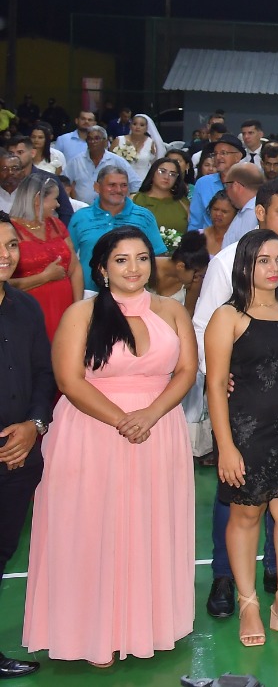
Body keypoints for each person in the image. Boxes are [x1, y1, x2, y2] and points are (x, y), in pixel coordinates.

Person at [24, 226, 197, 667]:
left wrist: (149, 416)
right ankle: (92, 633)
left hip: (158, 432)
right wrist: (124, 420)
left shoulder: (171, 311)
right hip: (91, 435)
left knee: (149, 527)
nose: (134, 268)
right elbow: (68, 380)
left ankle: (146, 627)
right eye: (121, 260)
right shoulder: (81, 314)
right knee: (90, 531)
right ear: (101, 268)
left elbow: (186, 372)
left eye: (142, 258)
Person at [192, 179, 278, 618]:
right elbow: (216, 385)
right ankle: (249, 602)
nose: (273, 268)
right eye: (262, 261)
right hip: (247, 430)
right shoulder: (226, 317)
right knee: (246, 516)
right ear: (244, 265)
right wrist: (226, 446)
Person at [0, 213, 54, 679]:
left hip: (19, 455)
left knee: (0, 553)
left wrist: (34, 425)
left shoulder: (26, 308)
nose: (6, 254)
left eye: (11, 245)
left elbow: (43, 373)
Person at [6, 175, 81, 337]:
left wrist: (78, 308)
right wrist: (45, 277)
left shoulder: (57, 225)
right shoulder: (9, 230)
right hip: (28, 311)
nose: (58, 204)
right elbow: (4, 283)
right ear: (38, 199)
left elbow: (75, 269)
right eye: (54, 199)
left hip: (64, 308)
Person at [68, 164, 168, 264]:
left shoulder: (144, 217)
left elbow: (158, 257)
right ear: (97, 187)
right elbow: (68, 257)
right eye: (112, 185)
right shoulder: (80, 217)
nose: (118, 190)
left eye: (123, 185)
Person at [186, 134, 246, 232]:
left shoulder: (248, 184)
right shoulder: (203, 183)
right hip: (207, 242)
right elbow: (195, 222)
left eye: (223, 153)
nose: (218, 157)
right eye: (215, 153)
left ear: (237, 157)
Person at [62, 126, 132, 207]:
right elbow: (63, 183)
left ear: (105, 142)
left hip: (112, 209)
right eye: (89, 139)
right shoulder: (76, 161)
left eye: (97, 138)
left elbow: (135, 184)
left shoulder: (117, 161)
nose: (93, 141)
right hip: (82, 210)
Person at [134, 155, 190, 235]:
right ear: (152, 173)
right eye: (162, 171)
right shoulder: (136, 200)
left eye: (172, 174)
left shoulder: (183, 202)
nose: (167, 177)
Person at [220, 163, 266, 247]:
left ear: (235, 186)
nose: (226, 191)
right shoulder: (246, 211)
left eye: (227, 186)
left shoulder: (254, 213)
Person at [117, 114, 166, 190]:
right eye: (134, 124)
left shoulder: (151, 143)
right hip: (121, 180)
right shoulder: (119, 140)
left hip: (143, 181)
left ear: (147, 128)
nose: (138, 127)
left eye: (142, 125)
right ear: (130, 126)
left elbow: (154, 163)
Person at [202, 192, 236, 257]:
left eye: (224, 211)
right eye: (215, 209)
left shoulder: (237, 240)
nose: (218, 214)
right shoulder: (199, 236)